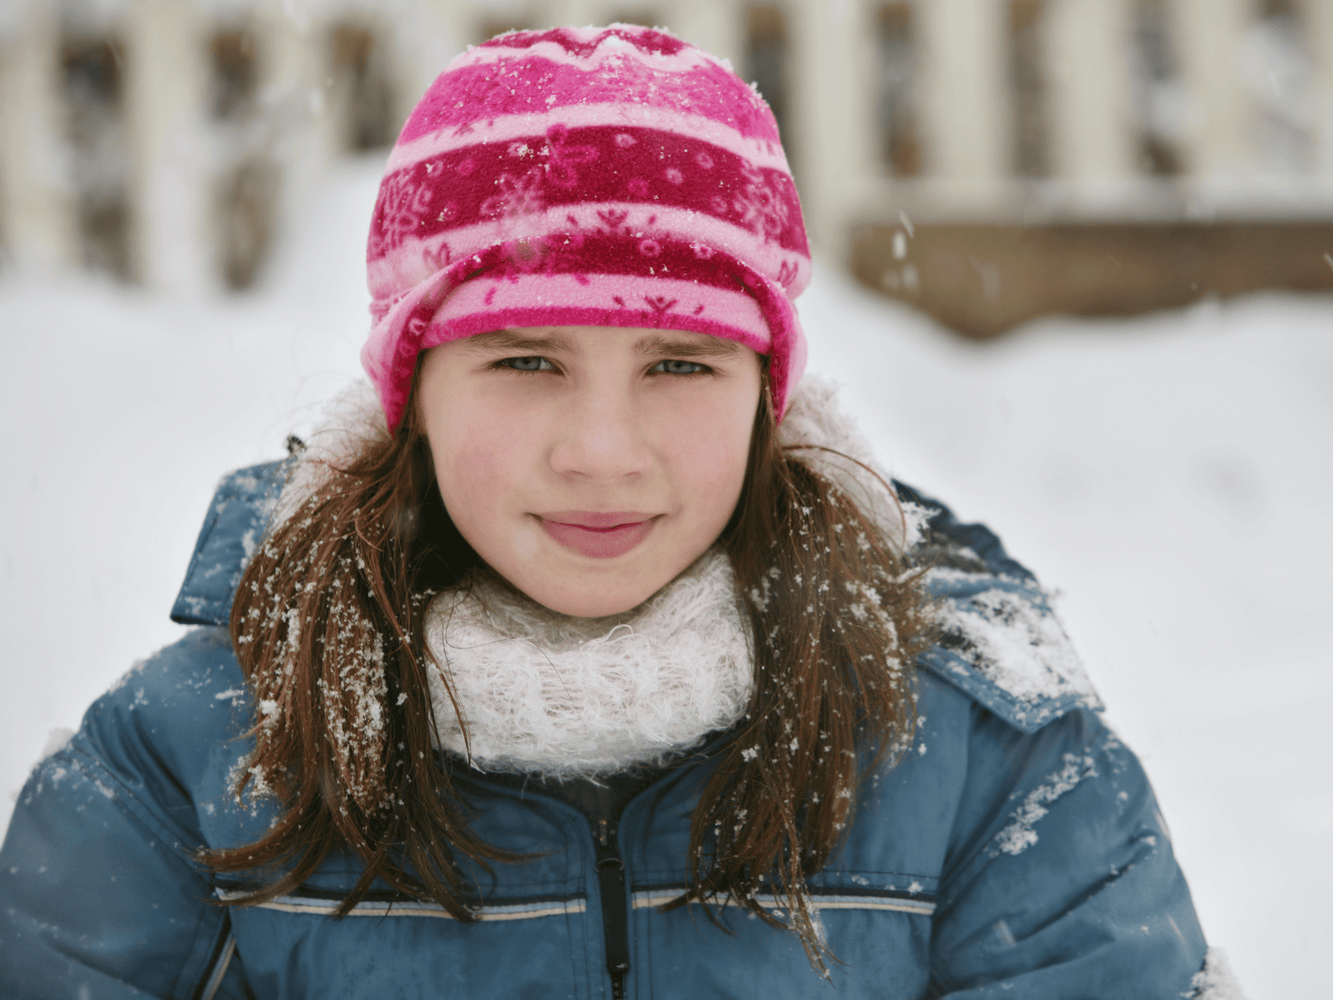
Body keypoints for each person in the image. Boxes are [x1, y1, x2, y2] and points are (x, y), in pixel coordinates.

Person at [0, 25, 1226, 999]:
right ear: (409, 395)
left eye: (681, 365)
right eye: (525, 361)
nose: (602, 451)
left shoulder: (979, 749)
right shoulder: (188, 759)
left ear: (768, 396)